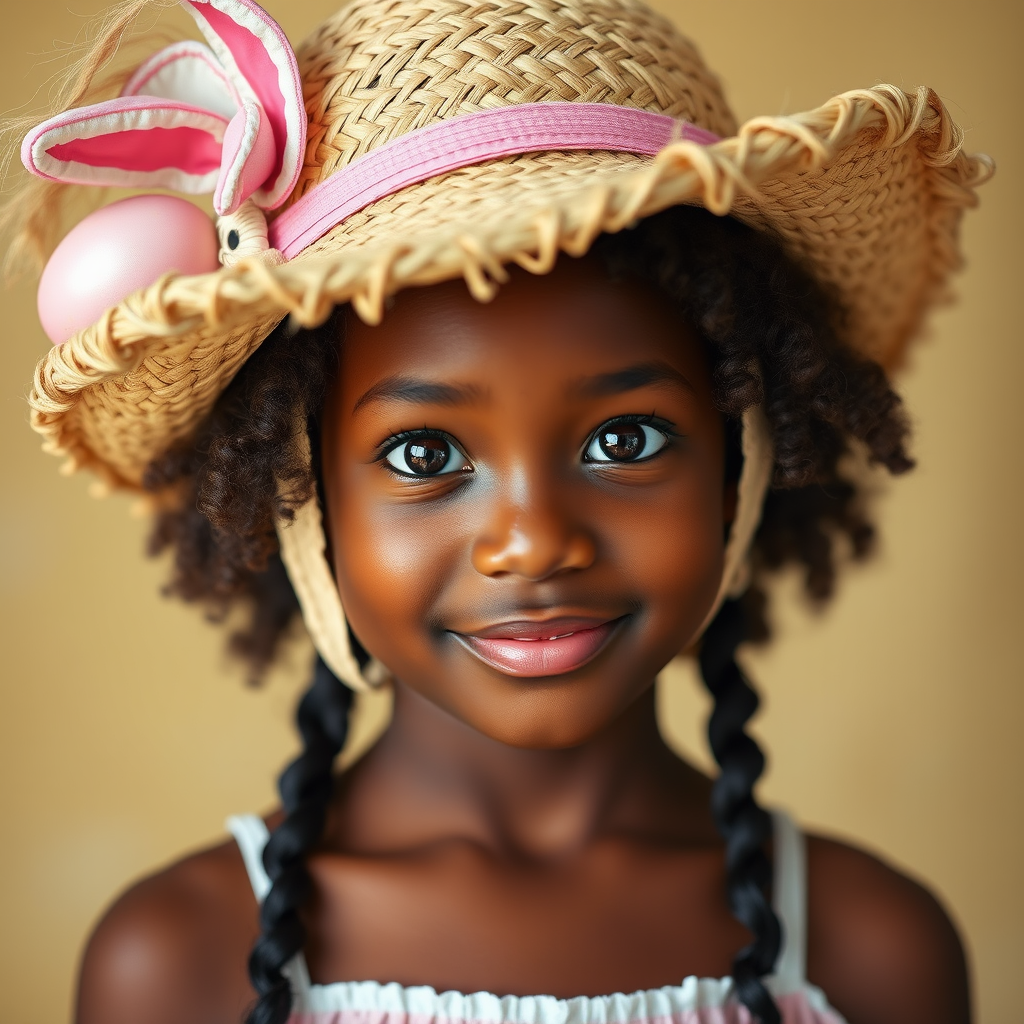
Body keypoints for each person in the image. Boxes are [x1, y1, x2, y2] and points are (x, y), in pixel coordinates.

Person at [7, 0, 991, 1022]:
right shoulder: (175, 964)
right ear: (297, 490)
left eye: (626, 439)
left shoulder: (870, 952)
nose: (534, 539)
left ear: (744, 456)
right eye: (424, 454)